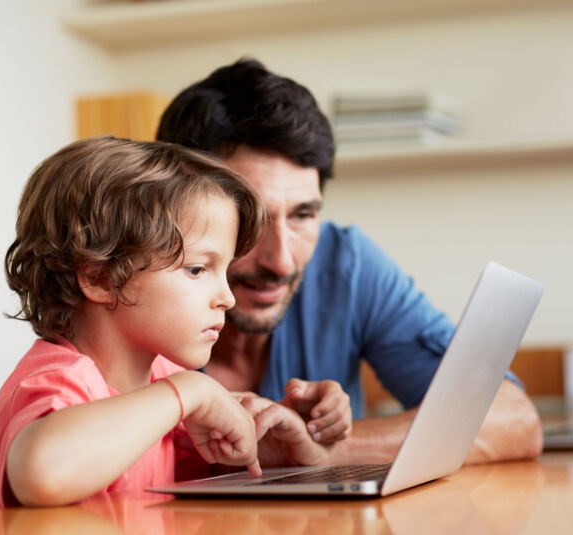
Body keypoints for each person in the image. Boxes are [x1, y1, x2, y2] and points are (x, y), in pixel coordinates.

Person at [156, 58, 543, 464]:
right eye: (249, 219)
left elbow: (512, 418)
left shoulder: (346, 266)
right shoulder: (130, 288)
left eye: (303, 215)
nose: (283, 261)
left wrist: (313, 449)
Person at [0, 137, 347, 514]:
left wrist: (266, 449)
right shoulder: (60, 380)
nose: (226, 297)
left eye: (224, 271)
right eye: (197, 269)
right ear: (101, 278)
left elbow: (197, 475)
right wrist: (188, 393)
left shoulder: (161, 382)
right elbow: (43, 473)